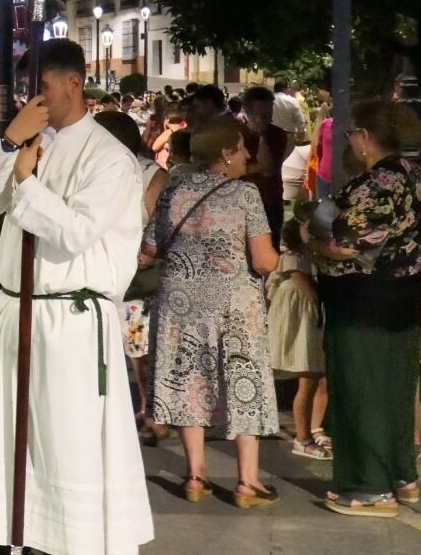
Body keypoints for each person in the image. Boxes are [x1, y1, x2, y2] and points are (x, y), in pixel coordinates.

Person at [0, 39, 150, 555]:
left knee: (64, 437)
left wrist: (29, 183)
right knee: (3, 429)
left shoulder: (109, 158)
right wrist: (10, 145)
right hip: (15, 307)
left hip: (69, 318)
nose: (29, 99)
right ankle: (5, 539)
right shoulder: (30, 141)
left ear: (72, 84)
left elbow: (76, 232)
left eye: (39, 87)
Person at [145, 116, 281, 509]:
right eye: (242, 147)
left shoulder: (175, 190)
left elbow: (151, 247)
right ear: (226, 153)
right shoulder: (244, 195)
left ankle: (195, 475)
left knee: (189, 376)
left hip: (180, 301)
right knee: (241, 377)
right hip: (233, 305)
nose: (248, 155)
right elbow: (264, 260)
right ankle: (248, 482)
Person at [304, 98, 421, 518]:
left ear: (367, 138)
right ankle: (402, 476)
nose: (349, 140)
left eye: (352, 133)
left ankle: (371, 488)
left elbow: (345, 249)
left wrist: (309, 240)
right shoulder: (413, 176)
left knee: (362, 390)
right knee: (396, 389)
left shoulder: (376, 185)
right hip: (403, 299)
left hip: (363, 303)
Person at [94, 111, 168, 441]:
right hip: (106, 273)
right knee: (131, 348)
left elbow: (161, 226)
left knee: (144, 349)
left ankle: (153, 412)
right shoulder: (98, 171)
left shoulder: (151, 174)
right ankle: (143, 407)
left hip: (140, 275)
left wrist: (145, 252)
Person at [268, 209, 330, 460]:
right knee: (308, 380)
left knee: (318, 379)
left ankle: (315, 430)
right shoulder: (293, 259)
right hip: (303, 327)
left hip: (312, 325)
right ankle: (302, 438)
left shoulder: (310, 257)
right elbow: (309, 293)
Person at [238, 85, 289, 244]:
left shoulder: (277, 134)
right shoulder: (237, 133)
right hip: (242, 203)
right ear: (247, 109)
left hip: (270, 200)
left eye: (270, 108)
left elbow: (269, 168)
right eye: (261, 108)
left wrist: (262, 135)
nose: (267, 113)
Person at [273, 79, 308, 145]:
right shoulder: (292, 101)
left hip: (270, 137)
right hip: (288, 138)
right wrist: (300, 140)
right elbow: (300, 122)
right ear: (284, 89)